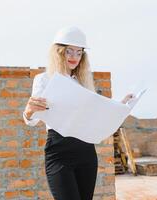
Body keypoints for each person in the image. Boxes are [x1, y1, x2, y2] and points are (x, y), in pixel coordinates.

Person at [23, 26, 133, 200]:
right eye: (69, 52)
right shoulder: (44, 79)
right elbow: (32, 119)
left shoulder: (82, 83)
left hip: (86, 151)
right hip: (59, 151)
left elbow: (97, 114)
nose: (74, 57)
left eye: (79, 52)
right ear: (59, 52)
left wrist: (121, 106)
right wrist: (29, 111)